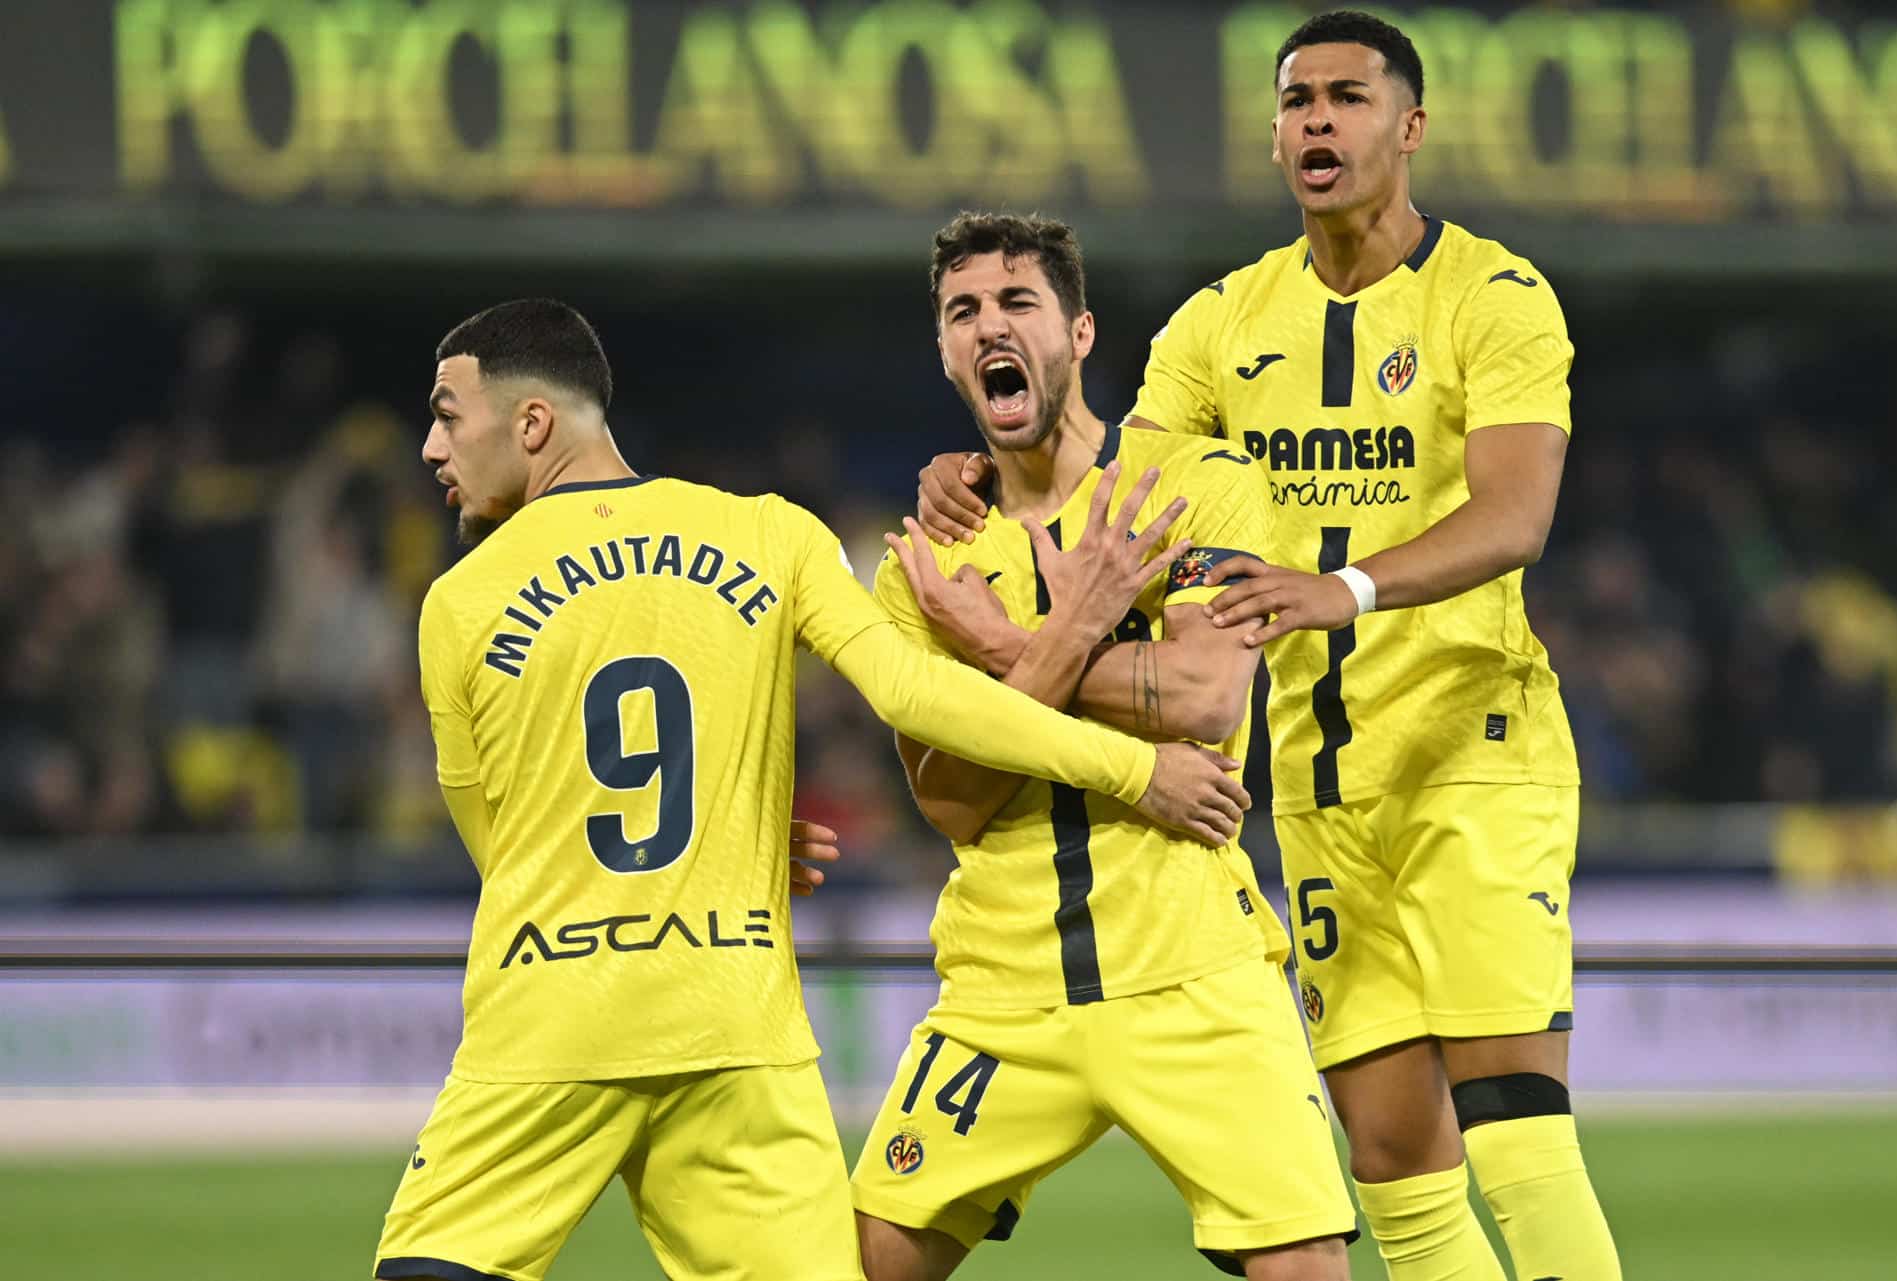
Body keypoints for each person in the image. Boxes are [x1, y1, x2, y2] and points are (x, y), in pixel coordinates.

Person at [912, 13, 1621, 1281]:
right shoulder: (1221, 322)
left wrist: (1340, 589)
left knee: (1514, 1128)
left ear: (1409, 127)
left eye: (1348, 97)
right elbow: (1115, 479)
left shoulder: (1494, 296)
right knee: (1395, 1161)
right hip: (1312, 780)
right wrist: (977, 463)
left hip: (1472, 752)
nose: (1317, 121)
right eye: (1297, 102)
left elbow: (1516, 517)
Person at [371, 298, 1252, 1281]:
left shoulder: (460, 601)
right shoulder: (768, 533)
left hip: (547, 1032)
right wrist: (1136, 768)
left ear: (532, 422)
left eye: (447, 416)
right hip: (737, 1035)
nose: (431, 448)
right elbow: (917, 693)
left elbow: (506, 853)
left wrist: (676, 859)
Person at [851, 213, 1355, 1281]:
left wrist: (1003, 651)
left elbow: (1206, 696)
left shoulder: (1196, 483)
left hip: (1194, 969)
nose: (991, 325)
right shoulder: (922, 567)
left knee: (1304, 1266)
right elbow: (952, 800)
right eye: (964, 312)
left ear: (1079, 333)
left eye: (1018, 302)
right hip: (1003, 986)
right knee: (867, 1262)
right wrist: (1078, 628)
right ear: (945, 352)